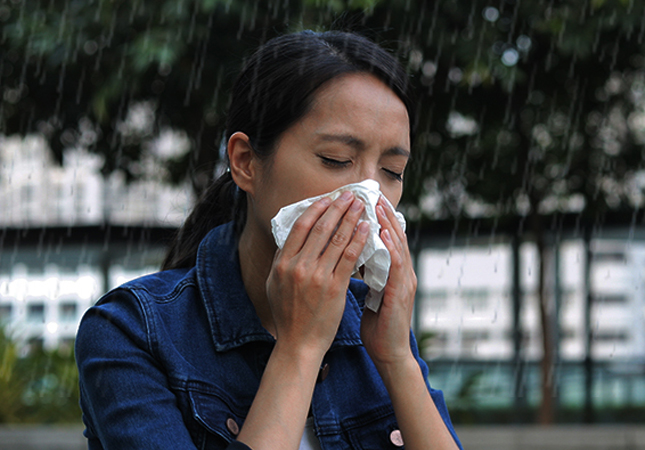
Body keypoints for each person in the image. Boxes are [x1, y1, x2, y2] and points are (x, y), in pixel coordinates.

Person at [75, 30, 463, 450]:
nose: (369, 195)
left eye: (392, 172)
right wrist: (298, 347)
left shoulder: (375, 329)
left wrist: (396, 360)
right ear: (245, 163)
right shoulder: (132, 333)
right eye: (337, 159)